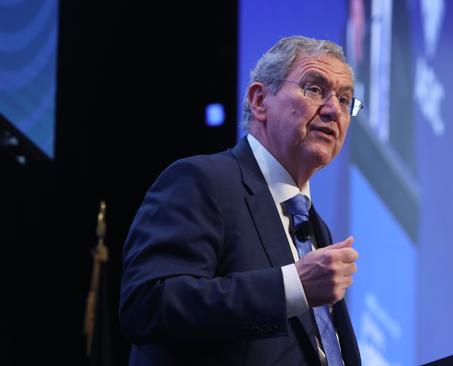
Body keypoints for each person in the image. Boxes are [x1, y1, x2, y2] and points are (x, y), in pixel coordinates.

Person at [119, 35, 364, 366]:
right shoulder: (203, 181)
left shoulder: (317, 227)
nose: (334, 109)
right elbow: (148, 305)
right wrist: (293, 286)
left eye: (346, 99)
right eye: (315, 89)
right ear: (260, 101)